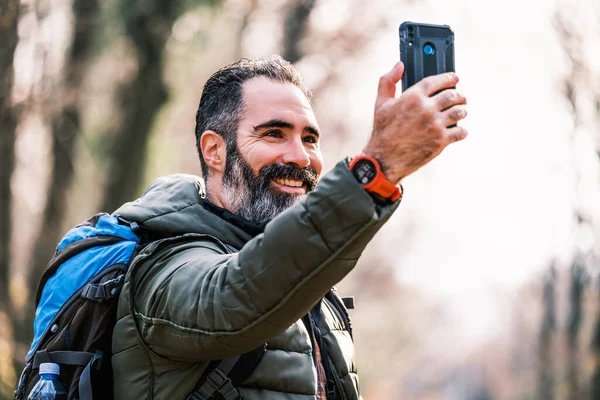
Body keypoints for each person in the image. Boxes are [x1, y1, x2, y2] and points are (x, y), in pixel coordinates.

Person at [110, 55, 467, 400]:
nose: (300, 156)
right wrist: (377, 169)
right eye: (274, 134)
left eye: (310, 139)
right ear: (214, 150)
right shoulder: (166, 265)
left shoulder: (312, 289)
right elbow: (235, 296)